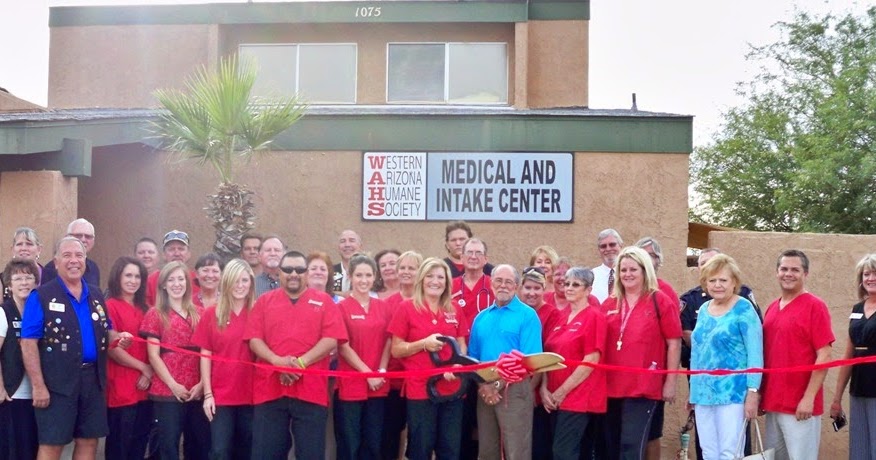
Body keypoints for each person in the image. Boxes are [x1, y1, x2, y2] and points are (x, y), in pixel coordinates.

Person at [20, 237, 133, 460]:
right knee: (52, 443)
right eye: (67, 255)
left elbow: (105, 330)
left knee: (89, 441)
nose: (74, 261)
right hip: (56, 385)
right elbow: (28, 342)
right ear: (55, 262)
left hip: (93, 381)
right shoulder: (41, 296)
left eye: (79, 255)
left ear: (86, 261)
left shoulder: (96, 294)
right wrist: (38, 386)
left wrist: (118, 337)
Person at [245, 250, 347, 460]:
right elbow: (254, 339)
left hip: (310, 389)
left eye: (300, 269)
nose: (294, 274)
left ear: (307, 274)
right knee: (266, 453)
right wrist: (277, 362)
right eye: (288, 269)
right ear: (279, 273)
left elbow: (332, 338)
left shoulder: (325, 302)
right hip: (270, 390)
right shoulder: (264, 302)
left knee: (311, 453)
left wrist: (300, 363)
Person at [679, 247, 761, 460]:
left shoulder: (744, 308)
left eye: (723, 280)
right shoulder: (704, 310)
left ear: (734, 282)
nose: (718, 285)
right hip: (704, 394)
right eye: (712, 280)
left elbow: (755, 353)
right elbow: (697, 352)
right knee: (708, 452)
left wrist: (753, 392)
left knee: (730, 452)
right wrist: (693, 392)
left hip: (733, 393)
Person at [601, 246, 682, 460]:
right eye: (623, 270)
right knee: (611, 447)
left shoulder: (660, 300)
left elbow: (674, 343)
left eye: (633, 269)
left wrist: (670, 382)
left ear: (645, 271)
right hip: (610, 386)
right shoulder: (610, 302)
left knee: (632, 447)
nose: (627, 274)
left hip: (643, 387)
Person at [387, 257, 470, 460]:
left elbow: (462, 344)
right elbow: (396, 350)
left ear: (447, 282)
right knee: (420, 447)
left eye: (440, 277)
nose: (435, 281)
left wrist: (457, 364)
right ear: (421, 280)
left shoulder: (454, 309)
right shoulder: (406, 308)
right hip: (421, 390)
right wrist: (423, 344)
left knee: (449, 449)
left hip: (452, 388)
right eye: (430, 276)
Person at [761, 250, 833, 460]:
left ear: (805, 273)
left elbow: (825, 355)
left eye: (795, 269)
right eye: (784, 269)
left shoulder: (815, 306)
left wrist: (808, 398)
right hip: (773, 403)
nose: (788, 274)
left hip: (800, 406)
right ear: (777, 272)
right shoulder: (772, 308)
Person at [468, 264, 542, 460]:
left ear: (516, 286)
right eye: (498, 281)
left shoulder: (528, 316)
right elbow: (473, 359)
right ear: (491, 283)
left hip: (514, 389)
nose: (503, 285)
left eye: (508, 282)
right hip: (484, 390)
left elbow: (528, 361)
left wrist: (497, 385)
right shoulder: (481, 318)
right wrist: (484, 386)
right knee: (487, 450)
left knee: (516, 451)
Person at [140, 261, 210, 460]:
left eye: (180, 279)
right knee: (167, 445)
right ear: (163, 284)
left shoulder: (201, 313)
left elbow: (207, 350)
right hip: (167, 388)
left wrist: (202, 384)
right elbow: (153, 355)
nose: (176, 284)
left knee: (198, 444)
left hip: (197, 388)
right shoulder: (155, 313)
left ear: (187, 283)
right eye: (171, 280)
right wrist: (173, 385)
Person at [540, 267, 607, 460]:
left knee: (563, 453)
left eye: (575, 285)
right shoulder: (560, 317)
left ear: (588, 290)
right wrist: (544, 389)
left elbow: (591, 360)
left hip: (578, 397)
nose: (569, 288)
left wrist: (561, 392)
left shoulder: (594, 317)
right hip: (552, 397)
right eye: (567, 283)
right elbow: (548, 356)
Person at [192, 258, 256, 460]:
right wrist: (208, 394)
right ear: (226, 282)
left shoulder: (258, 312)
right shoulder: (213, 313)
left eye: (245, 281)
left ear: (251, 283)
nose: (240, 286)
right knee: (220, 450)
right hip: (222, 395)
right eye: (235, 281)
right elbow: (205, 355)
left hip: (252, 395)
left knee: (247, 448)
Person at [334, 254, 392, 460]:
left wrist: (381, 371)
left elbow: (388, 341)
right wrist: (368, 374)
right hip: (351, 384)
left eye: (368, 275)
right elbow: (343, 345)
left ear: (374, 276)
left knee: (374, 441)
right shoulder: (340, 308)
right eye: (359, 275)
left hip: (378, 384)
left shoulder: (383, 307)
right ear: (350, 276)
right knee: (350, 442)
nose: (364, 280)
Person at [634, 237, 679, 459]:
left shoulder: (664, 291)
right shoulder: (627, 289)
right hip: (629, 378)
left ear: (658, 260)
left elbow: (674, 339)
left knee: (651, 434)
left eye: (650, 255)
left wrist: (670, 380)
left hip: (654, 377)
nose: (645, 260)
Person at [105, 257, 154, 460]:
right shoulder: (109, 306)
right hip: (121, 386)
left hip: (146, 388)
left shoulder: (147, 308)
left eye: (137, 276)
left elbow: (155, 344)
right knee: (119, 444)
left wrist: (149, 371)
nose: (133, 280)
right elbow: (112, 348)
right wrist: (144, 367)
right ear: (118, 277)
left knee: (139, 443)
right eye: (128, 275)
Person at [831, 253, 876, 460]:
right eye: (866, 274)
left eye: (875, 273)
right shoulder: (856, 310)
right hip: (858, 389)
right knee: (859, 449)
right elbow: (848, 356)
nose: (870, 278)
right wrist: (837, 398)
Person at [382, 250, 423, 460]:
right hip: (393, 381)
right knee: (391, 432)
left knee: (419, 436)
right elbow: (386, 341)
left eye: (412, 268)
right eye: (403, 268)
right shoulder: (387, 304)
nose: (406, 272)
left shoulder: (426, 301)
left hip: (419, 380)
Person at [0, 259, 40, 460]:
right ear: (9, 284)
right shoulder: (3, 312)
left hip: (36, 396)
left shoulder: (39, 312)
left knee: (30, 450)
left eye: (28, 277)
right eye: (18, 278)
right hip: (11, 395)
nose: (24, 282)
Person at [42, 218, 101, 288]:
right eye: (78, 236)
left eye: (88, 236)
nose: (83, 239)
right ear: (67, 237)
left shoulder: (94, 268)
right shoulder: (51, 268)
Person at [146, 230, 196, 307]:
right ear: (164, 255)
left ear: (189, 254)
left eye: (181, 249)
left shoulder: (197, 280)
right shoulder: (151, 280)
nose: (177, 253)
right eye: (171, 249)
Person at [451, 238, 495, 325]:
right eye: (469, 252)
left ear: (486, 259)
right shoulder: (450, 286)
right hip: (458, 338)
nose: (473, 257)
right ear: (462, 258)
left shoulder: (495, 285)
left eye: (478, 253)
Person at [3, 227, 44, 300]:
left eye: (29, 244)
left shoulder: (53, 277)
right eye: (19, 244)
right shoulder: (2, 280)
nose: (24, 248)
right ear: (12, 249)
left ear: (39, 249)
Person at [592, 229, 623, 303]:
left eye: (612, 244)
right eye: (603, 246)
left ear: (621, 246)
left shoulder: (629, 274)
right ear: (599, 250)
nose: (608, 249)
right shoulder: (591, 276)